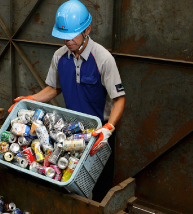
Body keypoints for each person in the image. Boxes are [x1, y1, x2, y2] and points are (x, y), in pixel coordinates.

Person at [8, 0, 125, 201]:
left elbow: (119, 99)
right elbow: (54, 88)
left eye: (71, 35)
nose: (67, 41)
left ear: (87, 29)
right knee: (66, 179)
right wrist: (30, 98)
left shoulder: (103, 59)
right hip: (72, 131)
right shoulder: (59, 57)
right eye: (63, 37)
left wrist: (109, 128)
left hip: (100, 132)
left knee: (100, 187)